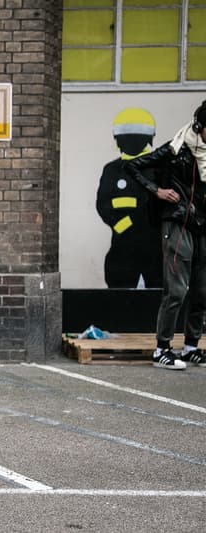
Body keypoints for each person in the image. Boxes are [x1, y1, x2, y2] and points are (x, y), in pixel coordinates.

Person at [126, 101, 206, 370]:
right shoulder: (176, 150)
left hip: (202, 225)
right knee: (177, 290)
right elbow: (134, 166)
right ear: (200, 127)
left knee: (201, 289)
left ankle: (192, 346)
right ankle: (162, 349)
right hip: (177, 222)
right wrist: (157, 191)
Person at [96, 108, 162, 288]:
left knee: (157, 292)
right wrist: (125, 226)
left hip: (154, 247)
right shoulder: (112, 170)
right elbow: (103, 205)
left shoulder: (159, 168)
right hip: (123, 246)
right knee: (120, 290)